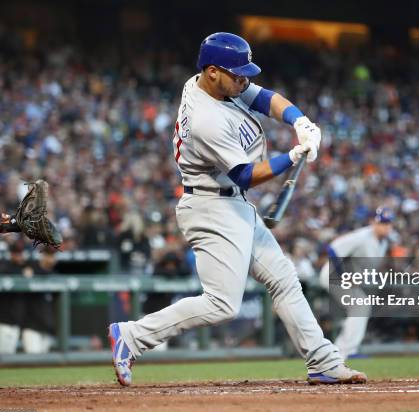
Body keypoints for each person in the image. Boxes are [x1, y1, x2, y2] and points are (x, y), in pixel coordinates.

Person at [108, 32, 366, 386]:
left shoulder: (214, 82)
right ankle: (132, 336)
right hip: (211, 205)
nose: (244, 79)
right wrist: (291, 157)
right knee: (222, 304)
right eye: (237, 73)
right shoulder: (205, 119)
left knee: (284, 280)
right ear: (212, 71)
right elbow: (245, 175)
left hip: (230, 204)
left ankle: (323, 361)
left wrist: (299, 121)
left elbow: (263, 98)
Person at [319, 207, 394, 359]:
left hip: (347, 279)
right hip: (333, 275)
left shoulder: (384, 242)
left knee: (361, 307)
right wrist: (345, 276)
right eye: (382, 223)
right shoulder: (362, 236)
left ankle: (342, 352)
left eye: (388, 224)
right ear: (374, 222)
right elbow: (333, 249)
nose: (385, 227)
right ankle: (345, 351)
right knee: (360, 306)